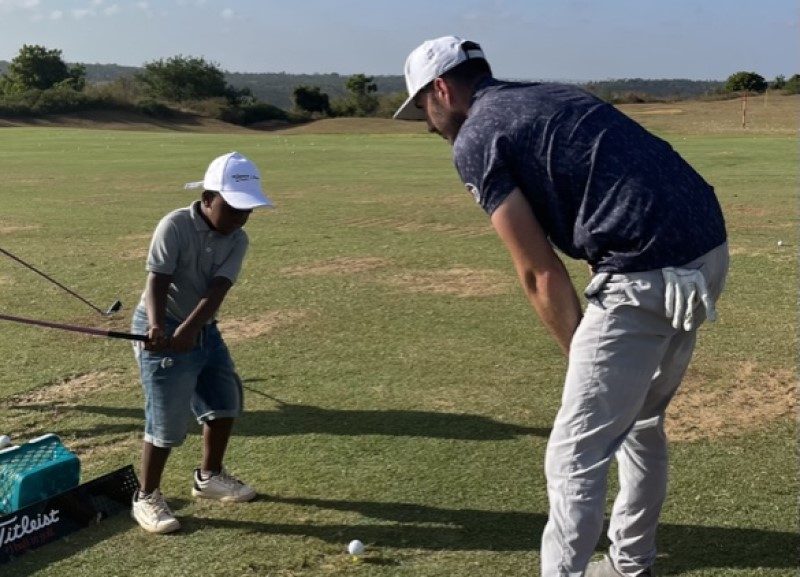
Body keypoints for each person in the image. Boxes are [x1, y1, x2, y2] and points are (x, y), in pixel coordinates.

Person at [394, 36, 728, 577]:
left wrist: (582, 358)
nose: (428, 125)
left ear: (441, 89)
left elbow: (538, 271)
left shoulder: (476, 135)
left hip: (643, 273)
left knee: (573, 455)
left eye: (424, 111)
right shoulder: (545, 93)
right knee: (640, 424)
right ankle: (630, 563)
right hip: (705, 254)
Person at [130, 151, 272, 534]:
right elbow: (157, 280)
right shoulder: (174, 225)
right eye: (233, 208)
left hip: (202, 327)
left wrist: (192, 330)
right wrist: (160, 326)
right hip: (159, 324)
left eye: (247, 210)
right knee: (166, 420)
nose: (241, 218)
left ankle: (208, 477)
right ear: (208, 198)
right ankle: (146, 496)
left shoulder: (237, 239)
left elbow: (217, 290)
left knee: (225, 401)